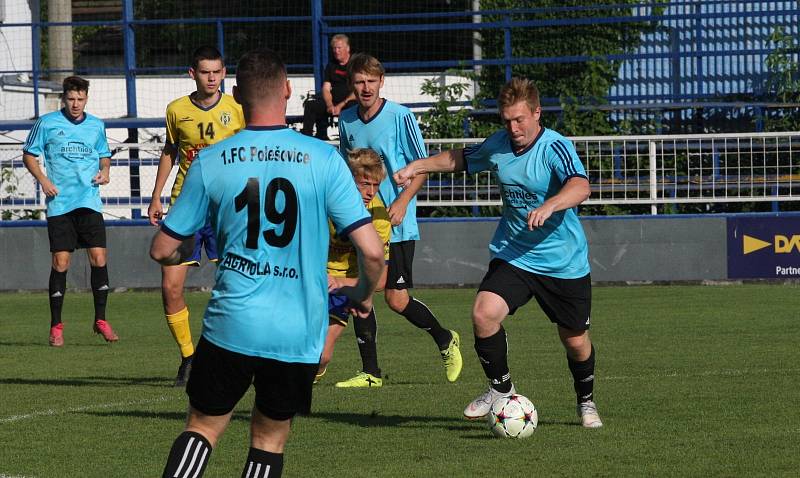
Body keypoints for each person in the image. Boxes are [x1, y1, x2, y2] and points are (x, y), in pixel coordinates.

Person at [151, 48, 385, 478]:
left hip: (233, 323)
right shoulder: (325, 158)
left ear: (236, 95)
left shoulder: (211, 159)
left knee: (202, 427)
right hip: (297, 329)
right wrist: (359, 294)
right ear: (290, 91)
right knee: (268, 441)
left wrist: (188, 253)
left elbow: (162, 249)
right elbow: (372, 252)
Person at [394, 77, 602, 428]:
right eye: (506, 120)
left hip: (562, 262)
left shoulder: (555, 147)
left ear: (537, 113)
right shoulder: (500, 144)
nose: (513, 127)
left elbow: (581, 186)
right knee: (483, 313)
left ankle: (586, 402)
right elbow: (460, 159)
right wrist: (418, 166)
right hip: (515, 253)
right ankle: (501, 390)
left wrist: (551, 205)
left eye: (520, 119)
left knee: (574, 339)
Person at [338, 53, 462, 386]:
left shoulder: (399, 116)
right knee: (364, 292)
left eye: (371, 81)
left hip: (396, 221)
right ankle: (370, 372)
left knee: (395, 298)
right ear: (352, 84)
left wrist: (404, 201)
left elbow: (422, 165)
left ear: (382, 81)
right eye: (359, 81)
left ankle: (445, 338)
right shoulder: (346, 119)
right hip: (361, 223)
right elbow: (344, 171)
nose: (366, 88)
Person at [147, 45, 245, 387]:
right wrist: (157, 196)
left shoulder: (237, 109)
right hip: (186, 207)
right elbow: (171, 151)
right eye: (205, 72)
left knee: (237, 284)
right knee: (170, 287)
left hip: (228, 210)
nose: (212, 78)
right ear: (193, 74)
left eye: (217, 71)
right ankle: (189, 358)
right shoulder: (177, 110)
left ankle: (235, 356)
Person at [22, 76, 118, 347]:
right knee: (61, 263)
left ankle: (101, 320)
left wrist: (106, 171)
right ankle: (56, 326)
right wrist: (43, 181)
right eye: (71, 99)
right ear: (63, 98)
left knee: (99, 258)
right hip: (61, 204)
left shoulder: (96, 125)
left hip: (89, 201)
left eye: (80, 99)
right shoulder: (47, 122)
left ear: (87, 98)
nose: (76, 104)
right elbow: (29, 154)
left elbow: (104, 155)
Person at [316, 148, 391, 387]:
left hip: (343, 286)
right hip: (312, 277)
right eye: (364, 184)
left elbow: (379, 282)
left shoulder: (378, 218)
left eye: (376, 185)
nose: (370, 192)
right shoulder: (324, 201)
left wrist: (340, 283)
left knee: (321, 357)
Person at [301, 34, 357, 140]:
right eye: (334, 48)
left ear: (347, 48)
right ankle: (311, 138)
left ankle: (351, 139)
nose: (336, 51)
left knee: (353, 107)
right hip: (334, 101)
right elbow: (326, 89)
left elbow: (357, 90)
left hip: (350, 100)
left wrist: (341, 105)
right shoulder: (331, 65)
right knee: (311, 105)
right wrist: (330, 105)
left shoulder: (355, 64)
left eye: (339, 48)